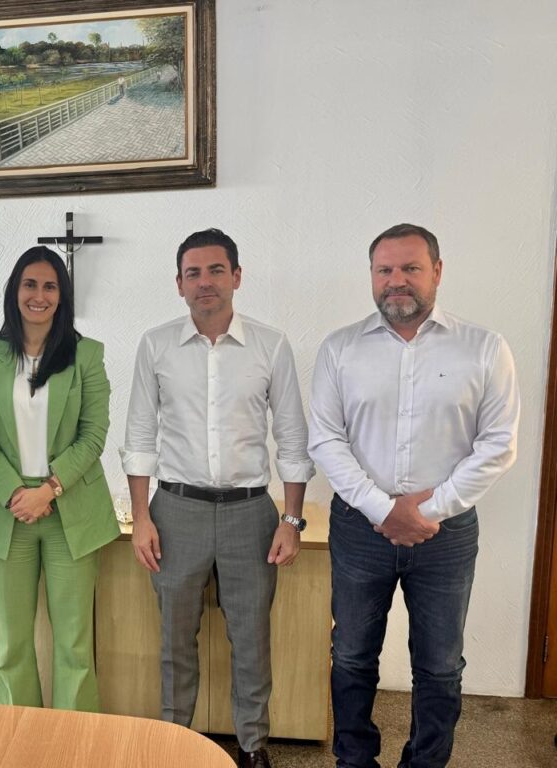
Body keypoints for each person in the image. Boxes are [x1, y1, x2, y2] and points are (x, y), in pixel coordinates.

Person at [308, 223, 520, 768]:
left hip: (445, 534)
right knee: (352, 655)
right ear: (372, 277)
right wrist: (384, 509)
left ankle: (426, 762)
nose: (396, 281)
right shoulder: (340, 349)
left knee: (441, 665)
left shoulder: (484, 348)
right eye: (385, 270)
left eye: (410, 268)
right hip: (360, 529)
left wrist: (428, 509)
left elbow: (498, 445)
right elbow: (326, 441)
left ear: (437, 272)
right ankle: (354, 760)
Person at [122, 228, 313, 768]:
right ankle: (173, 742)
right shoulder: (156, 345)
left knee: (251, 638)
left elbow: (293, 438)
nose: (204, 282)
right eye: (192, 273)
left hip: (251, 513)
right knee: (175, 639)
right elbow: (138, 437)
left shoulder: (270, 345)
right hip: (175, 510)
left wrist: (291, 519)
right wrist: (141, 518)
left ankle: (253, 746)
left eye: (215, 270)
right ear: (179, 284)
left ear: (236, 276)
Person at [0, 246, 120, 711]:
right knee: (12, 647)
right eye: (29, 284)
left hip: (69, 511)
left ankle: (75, 748)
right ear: (15, 291)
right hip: (9, 512)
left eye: (50, 286)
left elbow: (94, 435)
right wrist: (18, 492)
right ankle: (21, 744)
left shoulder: (87, 355)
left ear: (62, 295)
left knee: (74, 646)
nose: (39, 295)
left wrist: (48, 489)